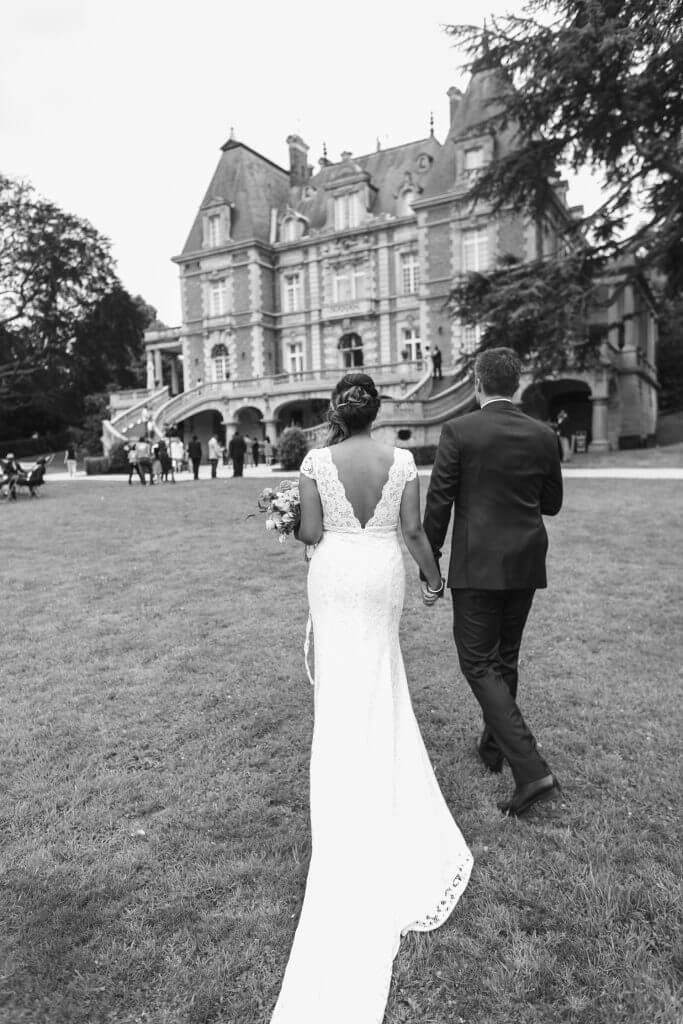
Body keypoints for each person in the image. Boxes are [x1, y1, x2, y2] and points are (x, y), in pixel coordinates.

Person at [270, 373, 472, 1023]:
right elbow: (412, 531)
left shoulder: (314, 460)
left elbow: (309, 535)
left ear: (335, 411)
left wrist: (289, 512)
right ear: (377, 412)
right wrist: (433, 578)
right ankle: (377, 759)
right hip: (381, 572)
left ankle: (345, 762)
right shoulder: (403, 458)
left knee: (341, 678)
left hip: (334, 572)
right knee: (380, 672)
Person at [423, 347, 563, 817]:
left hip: (478, 564)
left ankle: (531, 769)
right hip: (524, 560)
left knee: (478, 662)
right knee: (504, 657)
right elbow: (552, 503)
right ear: (516, 383)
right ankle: (492, 747)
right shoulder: (544, 435)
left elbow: (439, 503)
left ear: (476, 383)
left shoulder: (459, 431)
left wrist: (430, 567)